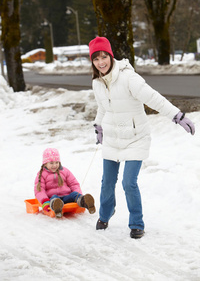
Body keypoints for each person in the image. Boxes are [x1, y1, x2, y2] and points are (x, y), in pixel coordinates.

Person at [89, 36, 195, 239]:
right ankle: (105, 214)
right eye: (96, 59)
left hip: (135, 137)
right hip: (112, 137)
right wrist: (98, 126)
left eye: (104, 56)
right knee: (107, 182)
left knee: (129, 182)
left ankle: (136, 223)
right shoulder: (97, 83)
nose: (101, 62)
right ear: (92, 62)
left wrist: (177, 115)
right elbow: (103, 107)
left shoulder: (129, 78)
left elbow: (154, 98)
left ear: (111, 56)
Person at [34, 148, 96, 218]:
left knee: (74, 194)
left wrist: (78, 193)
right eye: (51, 163)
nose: (54, 165)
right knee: (55, 198)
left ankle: (84, 201)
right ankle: (57, 207)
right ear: (45, 164)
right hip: (53, 198)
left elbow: (73, 184)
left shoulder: (64, 171)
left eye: (56, 162)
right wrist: (45, 201)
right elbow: (39, 190)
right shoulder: (42, 174)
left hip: (67, 197)